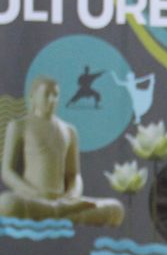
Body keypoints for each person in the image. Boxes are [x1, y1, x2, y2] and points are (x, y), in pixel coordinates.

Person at [0, 75, 123, 226]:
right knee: (7, 204)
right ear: (33, 96)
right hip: (33, 199)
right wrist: (33, 193)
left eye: (56, 95)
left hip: (63, 200)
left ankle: (54, 212)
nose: (52, 99)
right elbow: (7, 171)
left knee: (116, 209)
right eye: (47, 94)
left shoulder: (69, 131)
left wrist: (72, 195)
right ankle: (60, 213)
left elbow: (74, 174)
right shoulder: (19, 126)